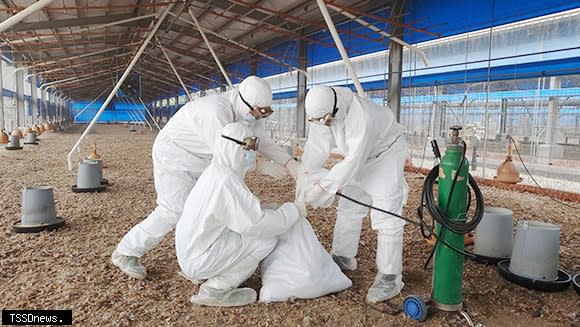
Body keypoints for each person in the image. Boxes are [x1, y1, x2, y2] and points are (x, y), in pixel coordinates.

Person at [112, 76, 300, 279]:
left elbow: (262, 142)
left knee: (210, 206)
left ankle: (210, 256)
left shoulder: (248, 113)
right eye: (255, 112)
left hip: (203, 159)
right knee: (173, 210)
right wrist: (261, 166)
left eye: (262, 113)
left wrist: (291, 163)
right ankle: (127, 251)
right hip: (175, 156)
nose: (256, 118)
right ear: (242, 100)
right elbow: (229, 153)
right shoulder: (215, 112)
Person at [298, 85, 409, 303]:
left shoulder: (363, 117)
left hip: (384, 156)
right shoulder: (322, 106)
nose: (325, 124)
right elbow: (316, 146)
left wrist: (321, 189)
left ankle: (390, 277)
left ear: (335, 111)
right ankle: (342, 258)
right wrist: (305, 174)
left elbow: (351, 164)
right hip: (358, 157)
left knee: (386, 217)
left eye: (327, 120)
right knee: (349, 208)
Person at [176, 122, 306, 307]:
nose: (251, 155)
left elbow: (237, 211)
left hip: (192, 250)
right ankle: (217, 288)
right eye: (247, 150)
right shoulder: (226, 182)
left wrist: (269, 205)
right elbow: (258, 224)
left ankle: (209, 271)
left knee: (250, 230)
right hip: (199, 258)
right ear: (235, 149)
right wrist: (294, 210)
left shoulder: (215, 171)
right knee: (265, 241)